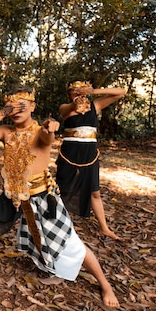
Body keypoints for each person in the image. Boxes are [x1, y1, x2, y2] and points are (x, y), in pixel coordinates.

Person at [0, 87, 119, 309]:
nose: (17, 109)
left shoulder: (40, 130)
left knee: (70, 243)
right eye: (13, 105)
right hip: (11, 197)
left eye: (23, 104)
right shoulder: (6, 131)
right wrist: (1, 113)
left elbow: (46, 137)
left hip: (42, 198)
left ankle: (106, 285)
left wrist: (51, 129)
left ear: (33, 106)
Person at [56, 80, 126, 240]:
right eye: (75, 91)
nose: (79, 94)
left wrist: (94, 91)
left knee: (94, 191)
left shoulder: (95, 106)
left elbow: (121, 92)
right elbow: (70, 108)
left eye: (81, 91)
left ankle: (104, 228)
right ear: (69, 94)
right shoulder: (65, 108)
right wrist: (76, 102)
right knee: (63, 190)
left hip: (89, 154)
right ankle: (59, 225)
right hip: (70, 154)